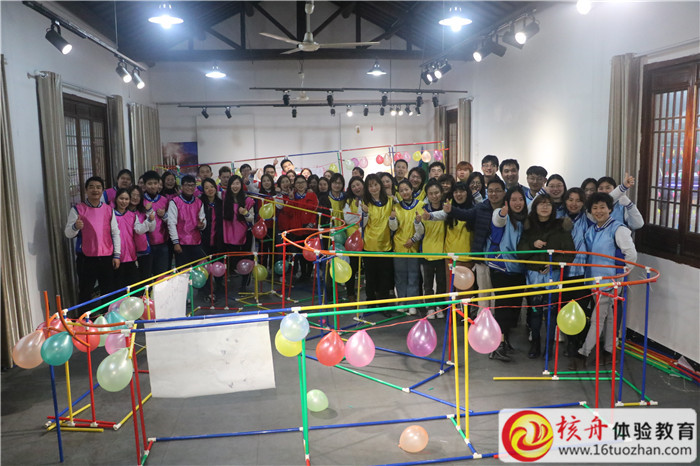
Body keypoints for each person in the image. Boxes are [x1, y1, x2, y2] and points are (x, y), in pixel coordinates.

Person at [570, 192, 638, 370]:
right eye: (595, 208)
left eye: (602, 207)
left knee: (597, 318)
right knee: (607, 317)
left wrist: (620, 276)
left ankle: (583, 353)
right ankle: (609, 351)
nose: (599, 211)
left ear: (610, 209)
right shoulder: (592, 230)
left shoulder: (618, 229)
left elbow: (631, 255)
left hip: (609, 282)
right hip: (594, 280)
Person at [517, 193, 575, 359]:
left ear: (553, 207)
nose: (544, 207)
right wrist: (533, 244)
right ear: (535, 207)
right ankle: (535, 343)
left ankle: (549, 347)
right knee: (535, 311)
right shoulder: (528, 227)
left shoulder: (561, 226)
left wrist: (553, 264)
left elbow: (570, 252)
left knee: (551, 312)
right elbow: (520, 252)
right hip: (534, 275)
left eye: (548, 204)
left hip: (554, 275)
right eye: (541, 204)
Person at [444, 178, 508, 310]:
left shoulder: (509, 209)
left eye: (497, 191)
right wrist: (451, 210)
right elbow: (465, 214)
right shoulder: (481, 207)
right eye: (490, 191)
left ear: (504, 192)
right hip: (482, 256)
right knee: (483, 291)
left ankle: (496, 318)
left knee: (498, 292)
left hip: (503, 258)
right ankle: (482, 316)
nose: (494, 194)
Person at [485, 186, 528, 361]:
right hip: (501, 267)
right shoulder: (501, 214)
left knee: (513, 308)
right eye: (513, 200)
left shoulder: (525, 219)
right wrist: (503, 213)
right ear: (507, 202)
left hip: (519, 268)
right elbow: (498, 220)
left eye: (520, 199)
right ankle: (497, 344)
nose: (517, 203)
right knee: (503, 306)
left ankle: (505, 340)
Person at [64, 176, 120, 307]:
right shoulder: (77, 210)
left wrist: (117, 255)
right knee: (85, 292)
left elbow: (115, 233)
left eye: (98, 187)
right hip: (86, 259)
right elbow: (68, 233)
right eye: (91, 187)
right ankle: (84, 318)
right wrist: (75, 227)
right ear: (86, 190)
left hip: (106, 257)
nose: (95, 190)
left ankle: (108, 316)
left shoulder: (108, 210)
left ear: (102, 190)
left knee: (108, 291)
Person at [389, 180, 424, 315]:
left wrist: (414, 239)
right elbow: (393, 228)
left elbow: (423, 228)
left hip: (414, 246)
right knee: (400, 275)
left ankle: (412, 303)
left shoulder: (421, 205)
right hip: (399, 246)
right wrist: (392, 219)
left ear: (411, 190)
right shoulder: (396, 207)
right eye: (401, 190)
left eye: (407, 189)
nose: (404, 192)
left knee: (414, 276)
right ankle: (402, 301)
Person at [360, 174, 394, 308]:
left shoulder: (390, 201)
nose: (373, 188)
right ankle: (371, 301)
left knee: (385, 276)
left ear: (380, 185)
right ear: (367, 188)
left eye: (376, 185)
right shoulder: (365, 203)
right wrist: (365, 214)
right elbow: (361, 225)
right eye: (370, 186)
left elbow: (394, 225)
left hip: (386, 245)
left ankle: (384, 303)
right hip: (369, 245)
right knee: (370, 276)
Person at [113, 188, 154, 291]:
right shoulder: (111, 215)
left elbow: (139, 230)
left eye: (126, 199)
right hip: (116, 256)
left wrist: (149, 220)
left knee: (133, 285)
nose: (124, 201)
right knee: (118, 286)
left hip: (131, 255)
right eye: (121, 198)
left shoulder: (133, 216)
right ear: (116, 199)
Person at [223, 175, 256, 292]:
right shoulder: (224, 198)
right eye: (233, 183)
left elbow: (251, 218)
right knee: (233, 260)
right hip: (229, 236)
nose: (235, 186)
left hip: (245, 235)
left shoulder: (247, 200)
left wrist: (245, 213)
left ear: (241, 185)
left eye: (237, 183)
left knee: (246, 260)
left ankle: (244, 284)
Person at [420, 179, 447, 319]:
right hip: (427, 251)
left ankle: (439, 306)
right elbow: (419, 230)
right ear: (427, 195)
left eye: (436, 192)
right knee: (428, 283)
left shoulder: (447, 207)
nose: (434, 196)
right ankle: (430, 307)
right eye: (431, 193)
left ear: (441, 193)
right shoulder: (422, 208)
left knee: (442, 282)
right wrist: (417, 222)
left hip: (443, 252)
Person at [167, 175, 206, 268]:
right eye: (187, 185)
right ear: (182, 186)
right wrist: (176, 243)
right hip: (181, 243)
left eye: (192, 185)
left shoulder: (199, 202)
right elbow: (171, 223)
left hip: (196, 242)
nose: (190, 188)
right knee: (183, 272)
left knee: (199, 270)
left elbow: (203, 218)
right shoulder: (174, 202)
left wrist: (202, 225)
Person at [444, 182, 474, 298]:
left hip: (467, 257)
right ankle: (450, 310)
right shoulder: (448, 207)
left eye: (461, 191)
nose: (458, 194)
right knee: (450, 291)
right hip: (450, 257)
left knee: (465, 293)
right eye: (455, 192)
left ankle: (465, 311)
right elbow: (438, 215)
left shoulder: (474, 209)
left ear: (467, 193)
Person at [286, 175, 319, 281]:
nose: (300, 185)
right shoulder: (292, 196)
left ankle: (308, 274)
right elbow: (288, 212)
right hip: (297, 229)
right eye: (298, 183)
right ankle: (303, 273)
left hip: (309, 229)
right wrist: (291, 199)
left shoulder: (312, 195)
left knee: (309, 253)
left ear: (306, 184)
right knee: (300, 253)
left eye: (302, 182)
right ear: (294, 185)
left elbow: (315, 210)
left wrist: (311, 223)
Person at [141, 170, 171, 276]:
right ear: (144, 185)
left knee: (162, 275)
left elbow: (170, 221)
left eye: (155, 183)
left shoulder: (164, 200)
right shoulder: (141, 200)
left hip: (162, 243)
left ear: (159, 184)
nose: (153, 186)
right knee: (147, 275)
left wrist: (164, 215)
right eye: (149, 183)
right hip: (146, 244)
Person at [200, 178, 224, 301]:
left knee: (219, 264)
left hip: (219, 240)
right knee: (205, 266)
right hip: (204, 240)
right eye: (206, 187)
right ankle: (206, 291)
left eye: (212, 186)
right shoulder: (200, 203)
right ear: (203, 190)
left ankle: (219, 287)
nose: (210, 189)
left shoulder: (221, 203)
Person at [127, 186, 156, 283]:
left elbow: (152, 228)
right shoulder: (122, 211)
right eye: (133, 195)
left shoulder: (143, 211)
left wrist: (149, 214)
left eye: (138, 195)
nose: (135, 198)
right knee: (132, 281)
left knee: (145, 279)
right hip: (127, 252)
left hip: (143, 250)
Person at [343, 176, 365, 300]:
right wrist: (358, 212)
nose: (356, 188)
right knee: (353, 266)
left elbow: (368, 217)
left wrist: (358, 215)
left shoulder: (369, 198)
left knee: (368, 267)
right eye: (353, 186)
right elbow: (348, 219)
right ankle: (350, 293)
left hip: (368, 237)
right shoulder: (348, 201)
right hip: (353, 239)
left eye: (358, 184)